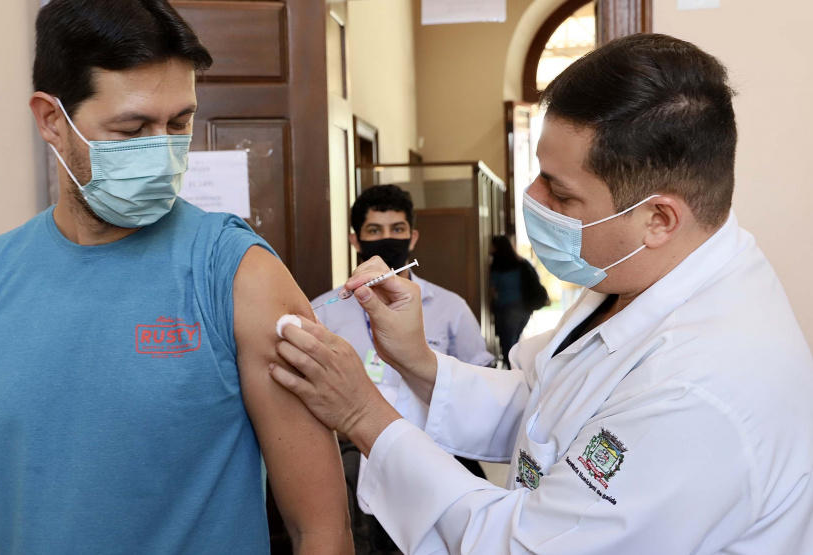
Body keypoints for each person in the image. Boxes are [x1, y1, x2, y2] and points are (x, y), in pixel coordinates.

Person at [269, 34, 813, 554]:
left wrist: (365, 415)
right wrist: (416, 361)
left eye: (560, 191)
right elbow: (545, 410)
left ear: (658, 218)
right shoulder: (637, 277)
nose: (532, 198)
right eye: (539, 175)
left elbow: (522, 545)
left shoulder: (703, 392)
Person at [0, 1, 352, 554]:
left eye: (179, 123)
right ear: (51, 119)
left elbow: (322, 530)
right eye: (133, 128)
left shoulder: (240, 275)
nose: (163, 152)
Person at [312, 184, 494, 554]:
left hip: (436, 446)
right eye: (374, 231)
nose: (387, 239)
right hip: (355, 450)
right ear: (355, 239)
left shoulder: (449, 307)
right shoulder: (326, 311)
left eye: (397, 230)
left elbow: (482, 381)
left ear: (412, 237)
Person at [490, 235, 548, 360]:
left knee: (507, 344)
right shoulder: (522, 263)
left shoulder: (497, 267)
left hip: (506, 308)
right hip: (524, 308)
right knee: (515, 341)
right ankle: (515, 369)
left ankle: (510, 371)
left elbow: (493, 289)